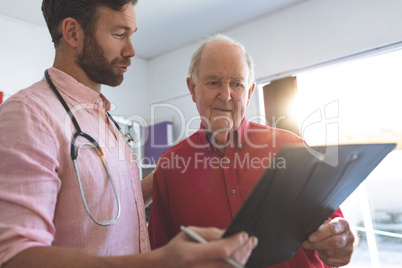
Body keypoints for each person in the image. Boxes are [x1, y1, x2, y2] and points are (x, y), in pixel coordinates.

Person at [0, 1, 258, 267]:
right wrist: (159, 262)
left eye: (131, 35)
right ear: (73, 33)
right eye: (119, 35)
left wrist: (176, 164)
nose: (131, 50)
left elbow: (116, 199)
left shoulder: (101, 117)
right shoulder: (29, 115)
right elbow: (14, 256)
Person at [148, 34, 355, 267]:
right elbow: (161, 258)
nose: (226, 96)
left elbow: (337, 231)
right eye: (214, 82)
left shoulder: (292, 147)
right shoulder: (169, 169)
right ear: (193, 88)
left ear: (249, 93)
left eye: (237, 84)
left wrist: (342, 240)